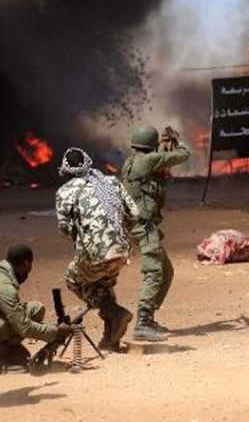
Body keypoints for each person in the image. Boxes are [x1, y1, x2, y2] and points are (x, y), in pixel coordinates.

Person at [56, 147, 139, 351]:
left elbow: (64, 228)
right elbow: (135, 213)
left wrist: (84, 237)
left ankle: (115, 312)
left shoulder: (65, 191)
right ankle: (111, 338)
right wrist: (117, 232)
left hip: (94, 253)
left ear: (67, 170)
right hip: (122, 251)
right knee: (103, 284)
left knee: (73, 279)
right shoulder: (111, 182)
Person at [121, 125, 190, 341]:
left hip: (139, 225)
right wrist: (177, 143)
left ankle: (148, 318)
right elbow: (183, 155)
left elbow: (159, 162)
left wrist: (163, 148)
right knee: (155, 272)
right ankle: (142, 323)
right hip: (144, 226)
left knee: (166, 271)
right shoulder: (149, 160)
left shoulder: (132, 161)